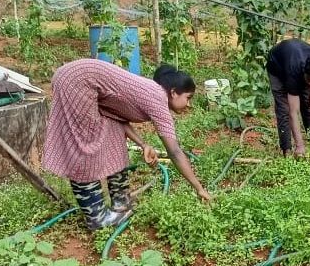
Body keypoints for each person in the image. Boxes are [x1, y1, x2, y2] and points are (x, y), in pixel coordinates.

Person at [42, 59, 212, 230]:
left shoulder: (153, 92)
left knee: (114, 133)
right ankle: (97, 217)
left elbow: (118, 120)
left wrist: (144, 144)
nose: (189, 104)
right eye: (188, 98)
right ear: (174, 92)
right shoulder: (159, 99)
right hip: (77, 81)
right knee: (85, 145)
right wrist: (199, 188)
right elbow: (174, 151)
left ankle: (120, 200)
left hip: (80, 78)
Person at [266, 38, 310, 158]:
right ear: (304, 71)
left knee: (308, 105)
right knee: (284, 110)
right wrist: (300, 145)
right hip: (277, 66)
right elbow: (293, 111)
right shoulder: (294, 71)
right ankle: (287, 150)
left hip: (296, 61)